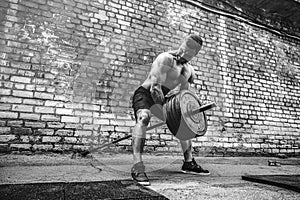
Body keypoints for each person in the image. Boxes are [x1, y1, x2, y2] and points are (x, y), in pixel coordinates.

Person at [131, 34, 210, 186]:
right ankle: (138, 166)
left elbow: (184, 96)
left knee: (183, 123)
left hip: (165, 99)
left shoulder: (189, 71)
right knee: (144, 118)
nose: (183, 55)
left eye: (188, 55)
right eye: (183, 51)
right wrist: (165, 112)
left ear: (195, 55)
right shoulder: (165, 59)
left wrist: (183, 114)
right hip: (146, 94)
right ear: (181, 45)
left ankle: (189, 162)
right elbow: (155, 88)